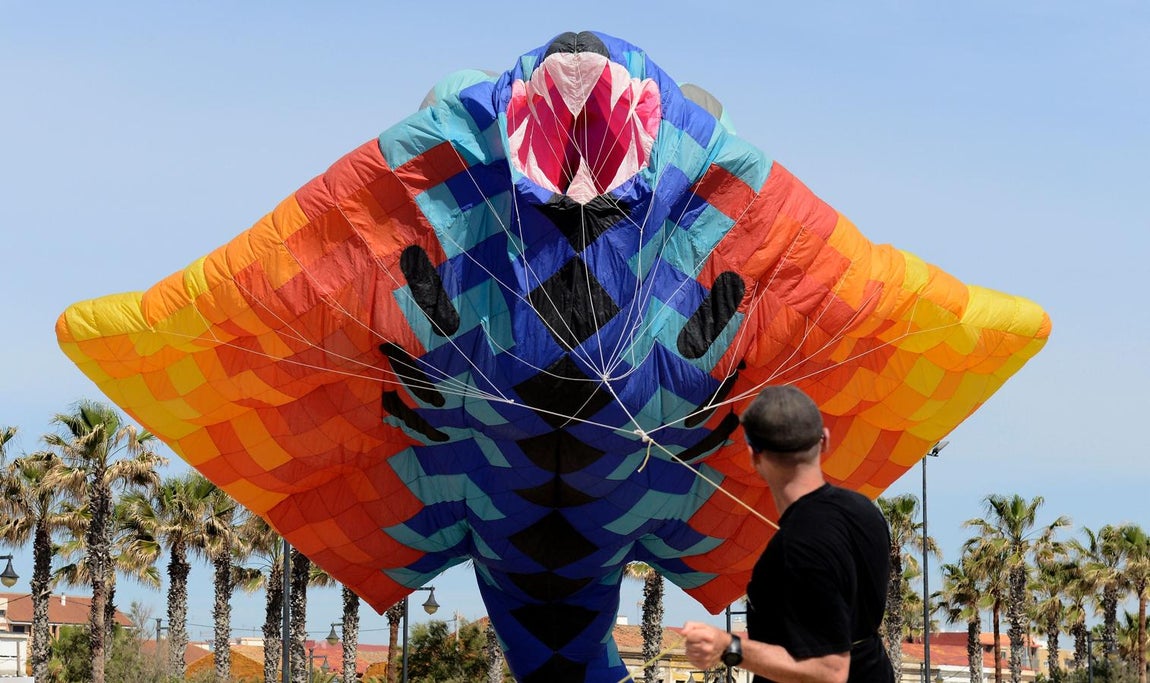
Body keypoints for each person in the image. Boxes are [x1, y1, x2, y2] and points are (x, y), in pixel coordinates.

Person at [676, 385, 894, 683]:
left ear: (754, 455)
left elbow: (829, 671)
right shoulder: (863, 511)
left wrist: (730, 648)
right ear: (824, 441)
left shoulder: (798, 544)